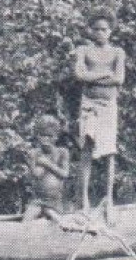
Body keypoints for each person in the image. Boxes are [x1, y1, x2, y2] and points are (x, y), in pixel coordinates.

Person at [73, 13, 125, 217]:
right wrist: (104, 75)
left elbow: (119, 79)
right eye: (96, 29)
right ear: (90, 30)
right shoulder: (84, 50)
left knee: (109, 153)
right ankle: (83, 202)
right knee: (86, 149)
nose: (101, 33)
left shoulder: (117, 52)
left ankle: (109, 200)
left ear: (110, 31)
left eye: (104, 29)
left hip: (109, 105)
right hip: (89, 104)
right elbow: (79, 75)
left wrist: (91, 78)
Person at [22, 115, 71, 223]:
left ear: (56, 137)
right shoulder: (35, 153)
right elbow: (36, 175)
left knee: (59, 223)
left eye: (49, 136)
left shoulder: (62, 152)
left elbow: (65, 174)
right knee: (25, 222)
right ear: (38, 136)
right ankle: (43, 217)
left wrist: (47, 164)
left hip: (54, 201)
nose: (45, 139)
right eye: (42, 135)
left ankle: (47, 216)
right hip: (38, 200)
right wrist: (31, 162)